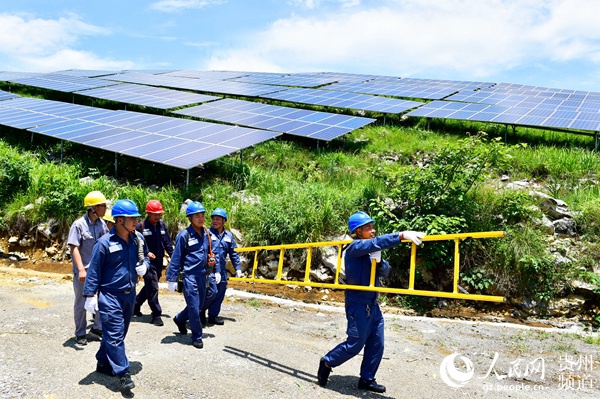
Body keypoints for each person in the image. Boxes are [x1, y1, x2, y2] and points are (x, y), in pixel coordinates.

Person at [317, 211, 426, 393]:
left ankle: (367, 379)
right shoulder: (354, 248)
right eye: (368, 228)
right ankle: (328, 361)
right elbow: (375, 243)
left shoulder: (369, 249)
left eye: (373, 227)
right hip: (358, 303)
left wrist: (380, 260)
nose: (373, 231)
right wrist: (401, 236)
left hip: (372, 304)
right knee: (355, 344)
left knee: (377, 343)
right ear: (358, 232)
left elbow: (384, 271)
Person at [83, 199, 149, 393]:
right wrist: (90, 295)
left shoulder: (137, 239)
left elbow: (145, 256)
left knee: (117, 334)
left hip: (129, 295)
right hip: (110, 296)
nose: (136, 221)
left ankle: (103, 362)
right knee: (115, 334)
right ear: (119, 220)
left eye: (136, 217)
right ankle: (123, 374)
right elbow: (94, 270)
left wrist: (145, 265)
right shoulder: (104, 243)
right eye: (132, 218)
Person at [166, 201, 216, 349]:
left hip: (203, 275)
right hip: (190, 276)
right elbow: (176, 257)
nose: (201, 218)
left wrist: (215, 269)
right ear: (189, 218)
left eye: (202, 215)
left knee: (199, 304)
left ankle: (180, 319)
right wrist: (172, 278)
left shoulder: (206, 233)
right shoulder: (184, 235)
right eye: (197, 216)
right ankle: (197, 336)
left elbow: (211, 253)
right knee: (194, 307)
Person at [67, 190, 108, 346]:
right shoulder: (79, 225)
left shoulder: (102, 224)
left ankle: (97, 328)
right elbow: (74, 248)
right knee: (81, 303)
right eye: (102, 206)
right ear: (93, 208)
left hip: (99, 271)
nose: (105, 209)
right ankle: (80, 333)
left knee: (102, 300)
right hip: (84, 272)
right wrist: (81, 269)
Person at [133, 200, 174, 326]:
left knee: (150, 286)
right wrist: (146, 254)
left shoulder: (162, 225)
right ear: (148, 213)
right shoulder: (141, 227)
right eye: (155, 214)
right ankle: (156, 314)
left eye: (159, 214)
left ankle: (135, 304)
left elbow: (167, 243)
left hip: (158, 262)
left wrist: (174, 257)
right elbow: (135, 245)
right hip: (147, 263)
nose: (157, 216)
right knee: (153, 287)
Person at [203, 207, 242, 326]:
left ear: (224, 221)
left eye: (218, 219)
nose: (215, 221)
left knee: (220, 293)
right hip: (209, 270)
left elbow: (233, 253)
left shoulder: (228, 236)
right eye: (213, 219)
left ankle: (213, 316)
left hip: (222, 271)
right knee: (210, 292)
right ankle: (200, 312)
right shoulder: (207, 234)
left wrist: (238, 268)